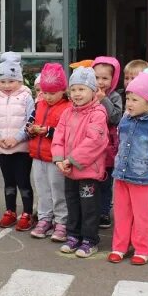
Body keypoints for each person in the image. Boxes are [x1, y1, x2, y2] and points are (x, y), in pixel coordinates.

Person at [108, 72, 148, 265]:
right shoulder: (125, 120)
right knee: (121, 214)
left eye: (135, 99)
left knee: (142, 217)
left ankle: (143, 248)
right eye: (128, 98)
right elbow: (120, 142)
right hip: (121, 176)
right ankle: (120, 246)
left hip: (144, 179)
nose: (129, 103)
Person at [51, 67, 109, 258]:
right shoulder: (68, 113)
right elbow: (58, 137)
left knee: (89, 207)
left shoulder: (98, 113)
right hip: (69, 170)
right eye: (73, 89)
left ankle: (90, 240)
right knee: (73, 204)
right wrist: (59, 158)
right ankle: (73, 235)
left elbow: (95, 142)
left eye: (82, 89)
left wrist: (72, 159)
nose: (77, 94)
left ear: (93, 91)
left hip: (88, 172)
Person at [0, 52, 36, 230]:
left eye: (11, 81)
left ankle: (27, 213)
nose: (7, 85)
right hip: (2, 149)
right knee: (8, 182)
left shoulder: (26, 96)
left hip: (21, 148)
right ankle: (10, 211)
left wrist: (16, 139)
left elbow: (31, 120)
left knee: (23, 182)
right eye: (3, 81)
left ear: (20, 80)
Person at [26, 63, 72, 241]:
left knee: (58, 189)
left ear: (62, 90)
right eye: (45, 92)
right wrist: (30, 129)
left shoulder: (68, 107)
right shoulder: (39, 105)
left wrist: (46, 131)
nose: (48, 96)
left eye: (53, 93)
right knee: (43, 189)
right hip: (38, 155)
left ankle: (61, 221)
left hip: (55, 157)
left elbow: (67, 134)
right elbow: (29, 123)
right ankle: (45, 219)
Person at [91, 56, 122, 229]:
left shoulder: (115, 96)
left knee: (105, 181)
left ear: (113, 79)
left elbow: (116, 117)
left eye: (105, 78)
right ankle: (92, 210)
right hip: (93, 146)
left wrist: (103, 99)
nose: (100, 82)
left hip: (109, 148)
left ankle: (104, 211)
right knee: (92, 181)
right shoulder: (88, 93)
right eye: (96, 77)